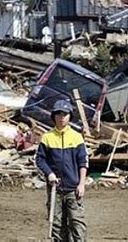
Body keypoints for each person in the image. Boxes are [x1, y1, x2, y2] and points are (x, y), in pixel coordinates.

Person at [36, 99, 88, 241]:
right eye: (58, 115)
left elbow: (83, 162)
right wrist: (50, 174)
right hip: (55, 189)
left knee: (77, 223)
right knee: (57, 225)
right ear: (53, 116)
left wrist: (81, 184)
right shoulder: (47, 137)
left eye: (64, 114)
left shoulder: (76, 137)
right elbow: (40, 160)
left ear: (70, 116)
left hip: (73, 188)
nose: (61, 118)